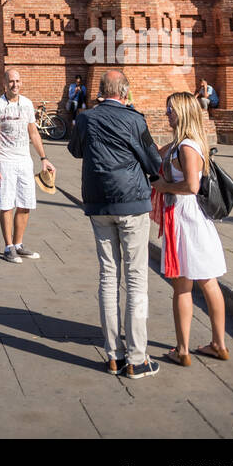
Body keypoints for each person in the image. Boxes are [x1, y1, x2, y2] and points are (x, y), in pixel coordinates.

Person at [68, 69, 164, 379]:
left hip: (98, 203)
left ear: (99, 91)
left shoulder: (85, 118)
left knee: (108, 276)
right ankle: (136, 358)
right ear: (125, 92)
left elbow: (75, 150)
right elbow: (152, 162)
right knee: (135, 278)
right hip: (132, 202)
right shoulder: (136, 120)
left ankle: (113, 355)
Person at [152, 92, 228, 365]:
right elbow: (152, 154)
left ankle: (184, 350)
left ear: (182, 112)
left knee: (186, 286)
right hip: (189, 218)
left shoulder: (186, 147)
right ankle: (217, 344)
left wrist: (164, 187)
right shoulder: (180, 144)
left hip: (187, 217)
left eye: (170, 109)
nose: (167, 114)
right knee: (207, 282)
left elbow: (192, 187)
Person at [0, 69, 55, 264]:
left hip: (24, 161)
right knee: (6, 205)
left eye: (17, 81)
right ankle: (8, 248)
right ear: (4, 84)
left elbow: (33, 133)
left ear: (21, 83)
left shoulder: (27, 104)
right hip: (4, 162)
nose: (15, 84)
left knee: (25, 204)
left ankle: (18, 244)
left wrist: (44, 158)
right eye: (11, 81)